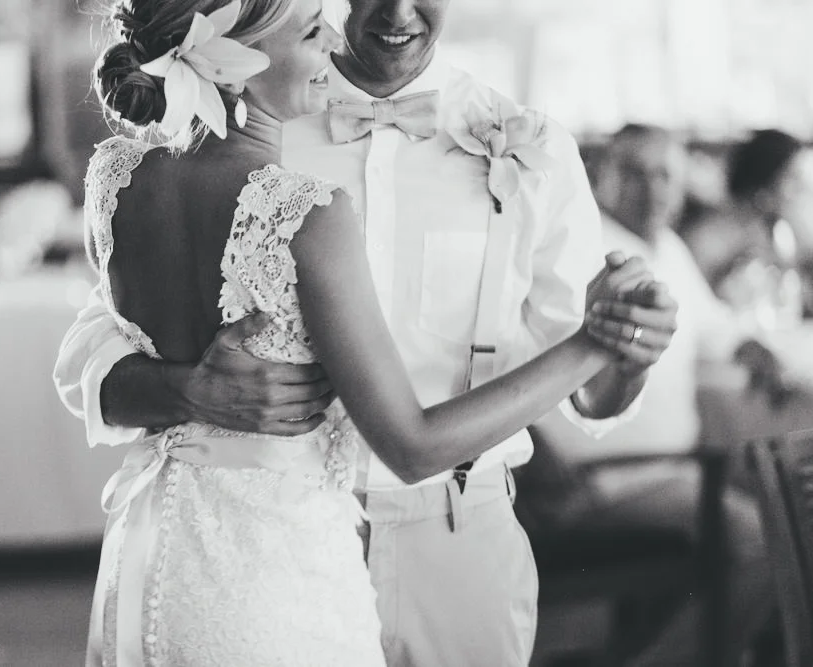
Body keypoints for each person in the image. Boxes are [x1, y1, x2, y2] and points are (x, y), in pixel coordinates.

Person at [57, 1, 679, 664]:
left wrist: (627, 345)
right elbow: (103, 339)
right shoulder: (260, 110)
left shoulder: (535, 148)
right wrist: (186, 392)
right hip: (273, 544)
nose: (398, 10)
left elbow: (590, 396)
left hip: (457, 542)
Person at [522, 124, 778, 667]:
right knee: (768, 543)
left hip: (673, 471)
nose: (654, 188)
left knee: (775, 502)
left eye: (666, 175)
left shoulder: (666, 247)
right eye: (636, 172)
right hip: (608, 480)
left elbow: (713, 328)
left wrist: (750, 346)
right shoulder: (578, 245)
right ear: (600, 176)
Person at [680, 128, 813, 323]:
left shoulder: (779, 236)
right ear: (764, 182)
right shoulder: (708, 238)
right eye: (792, 179)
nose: (800, 191)